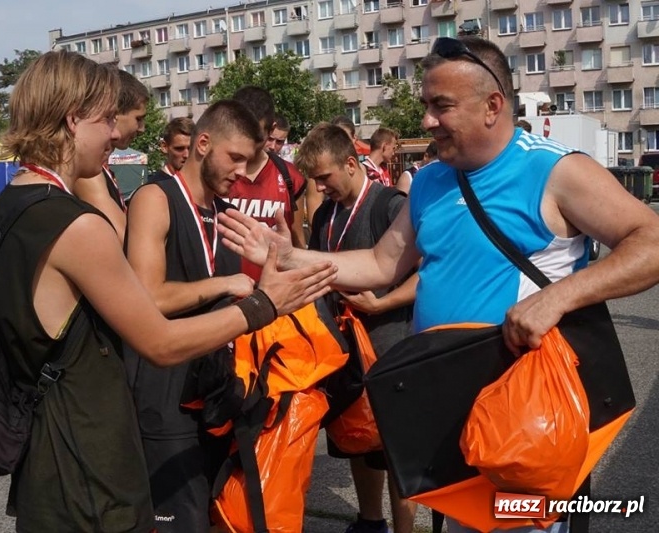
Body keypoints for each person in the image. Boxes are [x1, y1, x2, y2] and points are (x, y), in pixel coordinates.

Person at [217, 36, 659, 533]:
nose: (427, 120)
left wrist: (558, 297)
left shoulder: (554, 169)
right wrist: (289, 254)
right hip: (449, 416)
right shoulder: (429, 180)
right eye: (427, 105)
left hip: (528, 419)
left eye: (440, 106)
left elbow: (651, 242)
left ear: (493, 105)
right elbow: (382, 264)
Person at [0, 49, 338, 533]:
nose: (115, 133)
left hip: (41, 450)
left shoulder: (5, 208)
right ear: (72, 119)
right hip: (89, 462)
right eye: (107, 118)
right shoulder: (77, 226)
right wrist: (263, 303)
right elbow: (160, 342)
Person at [124, 100, 260, 532]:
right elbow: (147, 297)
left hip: (215, 394)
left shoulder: (223, 213)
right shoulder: (153, 197)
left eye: (248, 161)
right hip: (165, 399)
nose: (242, 171)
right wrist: (225, 285)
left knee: (215, 517)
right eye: (235, 157)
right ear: (203, 144)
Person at [298, 123, 418, 533]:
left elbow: (429, 273)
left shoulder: (390, 204)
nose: (319, 186)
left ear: (350, 164)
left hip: (391, 347)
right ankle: (370, 521)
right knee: (356, 441)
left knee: (398, 452)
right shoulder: (326, 215)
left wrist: (382, 301)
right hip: (345, 351)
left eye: (324, 177)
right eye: (313, 180)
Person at [226, 86, 308, 277]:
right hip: (223, 295)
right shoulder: (215, 174)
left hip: (274, 293)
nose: (247, 140)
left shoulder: (290, 177)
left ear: (271, 129)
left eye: (255, 134)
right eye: (240, 131)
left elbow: (298, 242)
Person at [74, 69, 148, 244]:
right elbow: (124, 239)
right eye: (138, 119)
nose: (142, 128)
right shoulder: (86, 169)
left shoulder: (98, 165)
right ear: (115, 114)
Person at [149, 116, 194, 182]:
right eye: (179, 149)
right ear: (164, 147)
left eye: (191, 148)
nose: (186, 155)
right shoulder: (154, 188)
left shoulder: (205, 185)